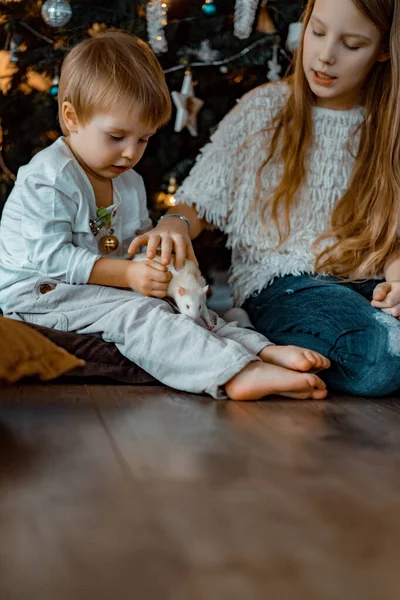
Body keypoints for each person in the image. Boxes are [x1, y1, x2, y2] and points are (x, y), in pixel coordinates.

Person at [0, 31, 330, 401]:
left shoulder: (129, 181)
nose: (129, 153)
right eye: (116, 136)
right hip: (41, 294)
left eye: (142, 140)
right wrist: (127, 274)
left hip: (96, 287)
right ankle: (233, 373)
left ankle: (258, 349)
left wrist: (159, 265)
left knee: (182, 302)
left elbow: (133, 242)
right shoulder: (49, 178)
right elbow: (51, 258)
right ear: (72, 117)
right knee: (139, 314)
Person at [129, 0, 400, 397]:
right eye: (318, 32)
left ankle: (259, 343)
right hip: (282, 284)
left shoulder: (389, 128)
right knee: (383, 355)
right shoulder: (264, 109)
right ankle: (253, 337)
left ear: (384, 50)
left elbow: (392, 236)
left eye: (352, 44)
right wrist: (175, 223)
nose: (325, 56)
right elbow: (198, 198)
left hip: (365, 281)